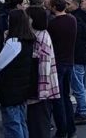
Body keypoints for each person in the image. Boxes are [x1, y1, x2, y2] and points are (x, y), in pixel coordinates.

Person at [0, 10, 38, 138]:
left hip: (10, 88)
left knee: (12, 123)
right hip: (23, 85)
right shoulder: (29, 40)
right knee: (20, 120)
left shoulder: (13, 42)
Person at [27, 7, 60, 138]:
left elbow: (44, 66)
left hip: (42, 87)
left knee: (39, 124)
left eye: (28, 17)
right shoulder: (37, 35)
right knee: (36, 123)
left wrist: (42, 91)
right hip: (40, 87)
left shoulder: (41, 37)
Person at [47, 0, 76, 138]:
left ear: (53, 7)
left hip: (57, 63)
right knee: (66, 95)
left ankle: (62, 129)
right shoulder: (72, 20)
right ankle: (71, 129)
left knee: (57, 99)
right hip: (69, 60)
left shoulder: (52, 24)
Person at [66, 0, 86, 126]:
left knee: (78, 87)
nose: (66, 6)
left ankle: (82, 112)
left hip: (76, 55)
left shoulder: (74, 20)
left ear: (75, 4)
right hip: (83, 54)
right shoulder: (84, 16)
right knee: (82, 85)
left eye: (68, 3)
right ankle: (81, 110)